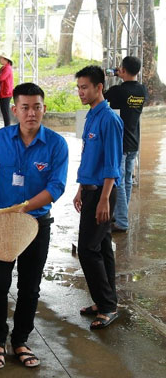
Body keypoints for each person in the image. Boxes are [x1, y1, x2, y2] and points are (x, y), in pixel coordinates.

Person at [0, 83, 69, 369]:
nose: (31, 113)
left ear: (44, 108)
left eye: (37, 106)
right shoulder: (1, 138)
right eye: (25, 107)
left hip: (36, 225)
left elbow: (56, 187)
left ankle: (20, 341)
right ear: (14, 110)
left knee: (30, 287)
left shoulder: (56, 145)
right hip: (1, 225)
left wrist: (25, 207)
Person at [73, 65, 123, 330]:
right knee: (102, 248)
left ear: (98, 87)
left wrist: (104, 199)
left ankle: (107, 307)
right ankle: (106, 301)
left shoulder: (110, 120)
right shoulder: (90, 115)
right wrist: (81, 187)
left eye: (85, 87)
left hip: (104, 194)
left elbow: (112, 164)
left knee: (87, 250)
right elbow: (89, 157)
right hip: (91, 191)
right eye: (78, 87)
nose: (80, 92)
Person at [104, 56, 147, 232]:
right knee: (127, 180)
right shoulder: (143, 90)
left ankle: (121, 221)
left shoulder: (118, 91)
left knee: (118, 181)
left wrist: (109, 77)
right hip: (134, 141)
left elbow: (102, 96)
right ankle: (121, 214)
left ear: (122, 69)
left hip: (120, 142)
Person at [0, 53, 14, 127]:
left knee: (5, 111)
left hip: (6, 93)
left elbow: (0, 78)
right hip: (3, 92)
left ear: (5, 60)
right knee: (4, 111)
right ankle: (7, 127)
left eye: (1, 58)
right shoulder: (3, 68)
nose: (0, 60)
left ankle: (7, 127)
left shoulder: (7, 68)